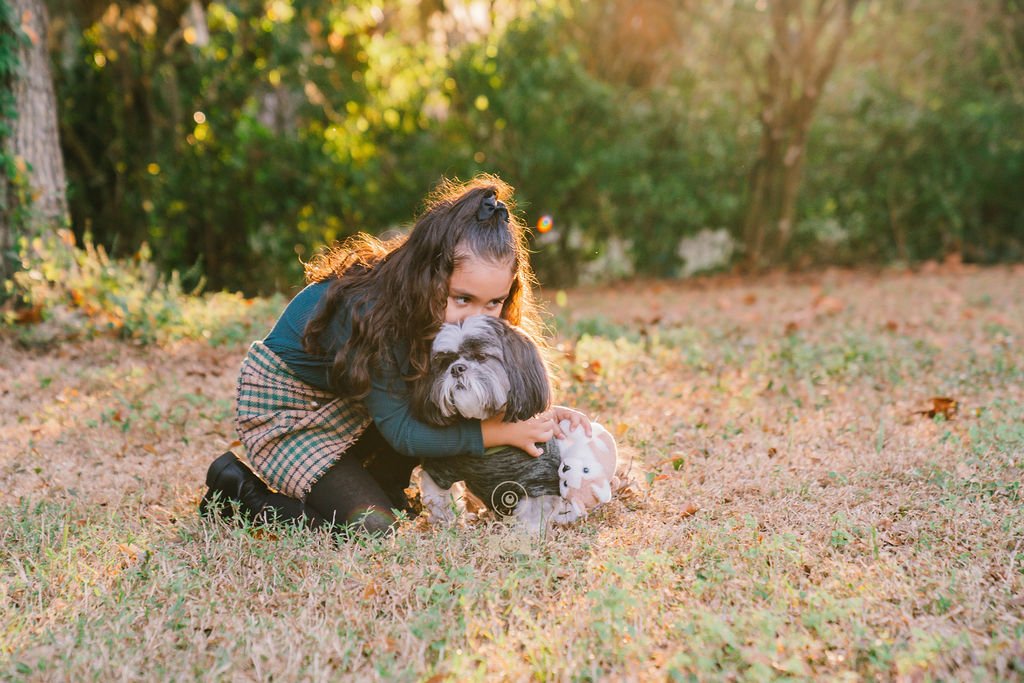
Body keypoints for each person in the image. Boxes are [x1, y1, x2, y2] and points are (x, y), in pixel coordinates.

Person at [199, 174, 591, 539]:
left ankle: (353, 485)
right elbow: (405, 433)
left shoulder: (437, 316)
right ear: (427, 274)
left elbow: (472, 392)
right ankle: (240, 495)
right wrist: (502, 432)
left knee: (394, 506)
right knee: (373, 527)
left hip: (356, 405)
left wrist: (541, 418)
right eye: (462, 298)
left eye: (493, 303)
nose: (477, 316)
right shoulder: (374, 316)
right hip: (290, 415)